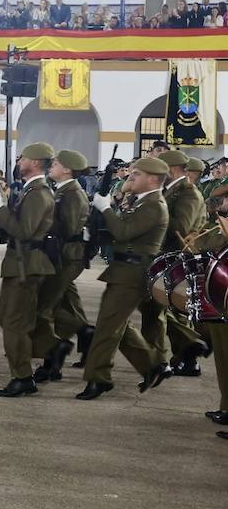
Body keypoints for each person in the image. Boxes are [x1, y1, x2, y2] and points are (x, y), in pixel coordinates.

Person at [78, 157, 172, 399]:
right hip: (123, 270)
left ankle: (98, 378)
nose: (130, 177)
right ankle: (154, 365)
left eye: (137, 174)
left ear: (153, 179)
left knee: (107, 327)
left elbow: (124, 232)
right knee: (115, 324)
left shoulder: (154, 205)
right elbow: (118, 232)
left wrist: (105, 207)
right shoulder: (139, 201)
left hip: (133, 273)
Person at [0, 142, 57, 397]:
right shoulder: (31, 190)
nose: (19, 161)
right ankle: (46, 353)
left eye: (23, 158)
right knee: (7, 317)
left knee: (14, 322)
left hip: (27, 264)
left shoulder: (38, 193)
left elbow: (24, 231)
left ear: (35, 162)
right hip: (19, 264)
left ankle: (23, 377)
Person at [145, 150, 209, 376]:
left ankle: (189, 353)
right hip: (165, 256)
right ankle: (175, 358)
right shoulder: (171, 190)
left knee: (170, 308)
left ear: (171, 169)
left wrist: (155, 208)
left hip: (177, 256)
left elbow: (181, 227)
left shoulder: (188, 193)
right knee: (162, 309)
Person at [31, 149, 91, 382]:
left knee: (45, 308)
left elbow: (69, 229)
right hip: (61, 256)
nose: (51, 166)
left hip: (66, 257)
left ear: (66, 169)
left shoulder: (72, 194)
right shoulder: (63, 191)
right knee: (66, 305)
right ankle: (85, 333)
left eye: (55, 164)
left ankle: (52, 361)